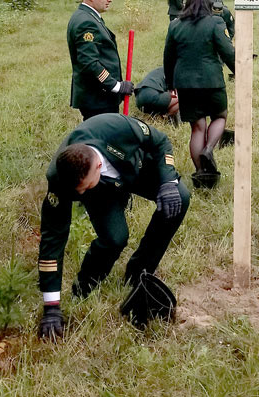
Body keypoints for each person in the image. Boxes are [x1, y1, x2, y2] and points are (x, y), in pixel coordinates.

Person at [36, 113, 189, 338]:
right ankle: (84, 287)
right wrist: (51, 307)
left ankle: (139, 272)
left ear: (98, 165)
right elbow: (53, 238)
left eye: (84, 188)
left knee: (179, 197)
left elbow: (160, 141)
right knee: (115, 238)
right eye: (78, 192)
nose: (80, 195)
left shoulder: (116, 128)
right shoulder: (60, 179)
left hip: (133, 166)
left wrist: (167, 182)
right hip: (102, 189)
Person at [164, 0, 235, 174]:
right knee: (220, 116)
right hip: (211, 80)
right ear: (208, 4)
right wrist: (238, 72)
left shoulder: (175, 25)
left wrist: (170, 85)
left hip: (185, 83)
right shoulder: (215, 22)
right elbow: (228, 52)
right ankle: (209, 149)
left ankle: (202, 174)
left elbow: (168, 57)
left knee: (197, 128)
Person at [67, 0, 133, 121]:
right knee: (100, 138)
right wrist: (116, 86)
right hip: (98, 97)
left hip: (99, 96)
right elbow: (89, 63)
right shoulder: (86, 22)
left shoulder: (90, 16)